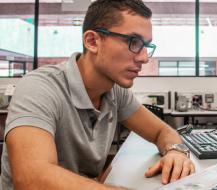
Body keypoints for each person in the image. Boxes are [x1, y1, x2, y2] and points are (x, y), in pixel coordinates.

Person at [1, 0, 195, 189]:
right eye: (134, 42)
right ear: (92, 41)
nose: (144, 58)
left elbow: (162, 132)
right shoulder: (40, 87)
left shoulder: (114, 92)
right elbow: (31, 178)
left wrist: (175, 153)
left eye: (146, 46)